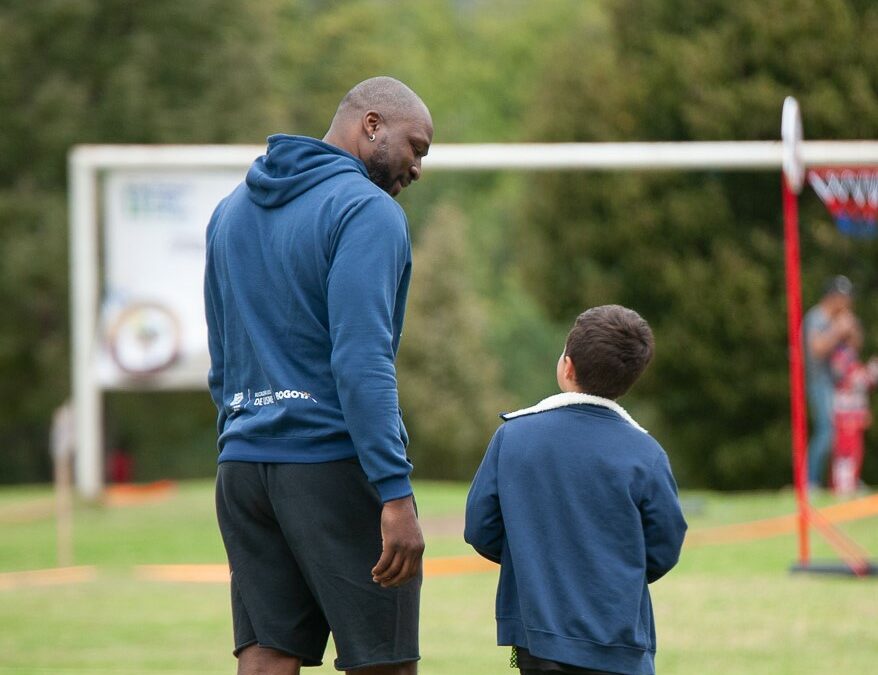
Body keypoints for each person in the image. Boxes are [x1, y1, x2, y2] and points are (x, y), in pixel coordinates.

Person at [204, 76, 433, 675]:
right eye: (418, 147)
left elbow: (223, 364)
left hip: (243, 467)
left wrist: (248, 436)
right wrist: (393, 488)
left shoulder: (229, 212)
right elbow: (362, 361)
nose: (418, 167)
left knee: (267, 655)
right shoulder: (366, 211)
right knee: (384, 660)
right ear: (373, 125)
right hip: (330, 463)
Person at [464, 305, 687, 675]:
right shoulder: (646, 454)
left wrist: (538, 564)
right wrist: (613, 571)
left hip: (538, 637)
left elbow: (480, 528)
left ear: (567, 366)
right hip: (619, 640)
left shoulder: (513, 437)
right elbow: (664, 546)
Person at [803, 275, 857, 489]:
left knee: (841, 435)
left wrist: (850, 328)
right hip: (820, 383)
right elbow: (816, 349)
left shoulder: (839, 318)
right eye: (845, 297)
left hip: (838, 385)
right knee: (826, 432)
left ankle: (843, 481)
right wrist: (838, 331)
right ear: (833, 297)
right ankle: (810, 481)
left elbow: (855, 346)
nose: (848, 302)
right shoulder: (816, 318)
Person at [829, 316, 878, 495]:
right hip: (846, 414)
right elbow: (852, 381)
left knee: (854, 451)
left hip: (852, 413)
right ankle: (844, 486)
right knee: (847, 451)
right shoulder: (843, 355)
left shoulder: (849, 355)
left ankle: (850, 482)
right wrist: (872, 372)